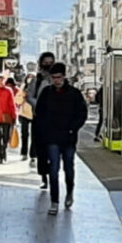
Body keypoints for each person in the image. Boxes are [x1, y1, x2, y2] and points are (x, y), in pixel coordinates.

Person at [34, 63, 87, 215]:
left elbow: (82, 113)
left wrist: (73, 128)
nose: (56, 80)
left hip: (69, 138)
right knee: (53, 170)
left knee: (69, 168)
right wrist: (44, 132)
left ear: (64, 77)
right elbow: (39, 113)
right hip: (52, 138)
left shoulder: (74, 94)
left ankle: (70, 192)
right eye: (54, 78)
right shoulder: (46, 93)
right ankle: (54, 201)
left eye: (59, 77)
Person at [27, 52, 56, 184]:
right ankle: (44, 174)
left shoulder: (58, 79)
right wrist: (38, 106)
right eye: (46, 62)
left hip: (56, 120)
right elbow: (29, 96)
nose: (48, 64)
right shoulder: (36, 80)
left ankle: (53, 172)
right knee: (41, 149)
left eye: (51, 62)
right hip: (39, 119)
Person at [16, 74, 35, 160]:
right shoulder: (23, 88)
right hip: (24, 113)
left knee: (34, 135)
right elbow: (17, 101)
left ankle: (33, 154)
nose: (30, 79)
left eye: (32, 78)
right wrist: (23, 95)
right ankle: (24, 153)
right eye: (29, 77)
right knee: (24, 134)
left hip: (35, 113)